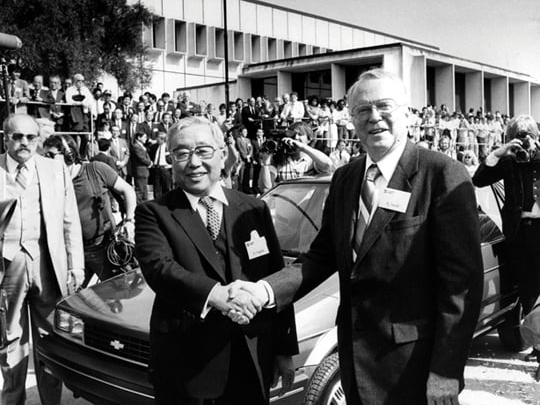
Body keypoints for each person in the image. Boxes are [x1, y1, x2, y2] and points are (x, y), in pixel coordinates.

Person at [230, 69, 484, 404]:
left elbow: (461, 286)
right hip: (355, 361)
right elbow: (320, 258)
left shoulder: (442, 174)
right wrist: (264, 291)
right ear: (351, 119)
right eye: (362, 110)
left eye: (384, 107)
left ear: (406, 112)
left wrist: (446, 371)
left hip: (415, 367)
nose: (374, 117)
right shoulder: (345, 179)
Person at [134, 116, 298, 404]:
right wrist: (218, 296)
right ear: (171, 161)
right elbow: (161, 269)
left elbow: (275, 275)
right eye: (181, 153)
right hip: (187, 365)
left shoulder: (253, 208)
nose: (193, 162)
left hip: (251, 356)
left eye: (203, 151)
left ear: (223, 155)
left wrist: (283, 350)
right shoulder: (154, 213)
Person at [0, 114, 84, 405]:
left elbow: (69, 219)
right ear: (5, 137)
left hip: (49, 265)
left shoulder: (54, 168)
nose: (24, 142)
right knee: (10, 343)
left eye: (30, 137)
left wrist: (76, 265)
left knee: (51, 339)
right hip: (8, 266)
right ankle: (12, 401)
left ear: (38, 139)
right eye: (17, 137)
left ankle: (51, 402)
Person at [472, 114, 540, 363]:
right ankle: (538, 348)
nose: (524, 144)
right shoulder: (509, 160)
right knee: (529, 288)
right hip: (519, 232)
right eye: (517, 139)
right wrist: (501, 151)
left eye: (527, 137)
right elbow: (478, 179)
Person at [43, 134, 136, 287]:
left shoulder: (95, 169)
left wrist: (129, 220)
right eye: (44, 155)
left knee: (119, 295)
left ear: (69, 154)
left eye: (50, 155)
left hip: (103, 248)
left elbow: (128, 191)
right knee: (69, 301)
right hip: (71, 254)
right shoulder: (50, 182)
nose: (46, 160)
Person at [131, 130, 152, 203]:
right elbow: (142, 158)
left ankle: (144, 203)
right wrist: (149, 163)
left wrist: (150, 162)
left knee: (144, 189)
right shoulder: (136, 146)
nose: (146, 139)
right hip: (140, 171)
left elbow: (146, 156)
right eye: (144, 137)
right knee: (140, 190)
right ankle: (138, 204)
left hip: (144, 171)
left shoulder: (142, 146)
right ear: (139, 137)